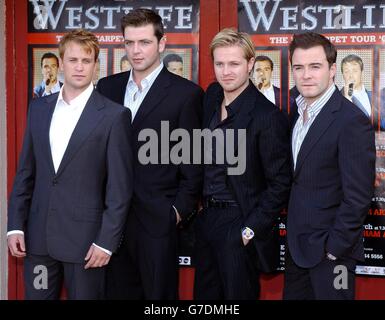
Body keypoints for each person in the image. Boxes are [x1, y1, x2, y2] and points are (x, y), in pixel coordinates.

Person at [7, 29, 133, 300]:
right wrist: (15, 225)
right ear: (61, 63)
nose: (79, 67)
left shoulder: (114, 116)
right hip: (38, 241)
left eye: (86, 61)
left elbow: (119, 189)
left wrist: (106, 242)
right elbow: (26, 172)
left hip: (86, 245)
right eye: (73, 60)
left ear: (95, 66)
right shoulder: (38, 108)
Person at [97, 8, 203, 299]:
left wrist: (176, 213)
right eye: (129, 42)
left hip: (157, 222)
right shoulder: (108, 88)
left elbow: (193, 166)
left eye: (144, 42)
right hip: (111, 223)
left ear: (162, 43)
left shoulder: (186, 95)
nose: (136, 50)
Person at [193, 28, 291, 300]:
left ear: (250, 64)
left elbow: (280, 183)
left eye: (234, 63)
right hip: (207, 219)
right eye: (220, 63)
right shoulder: (212, 96)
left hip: (239, 221)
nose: (226, 71)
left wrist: (249, 230)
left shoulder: (267, 116)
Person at [284, 32, 375, 300]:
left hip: (333, 257)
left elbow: (358, 197)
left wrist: (333, 248)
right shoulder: (296, 115)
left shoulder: (350, 120)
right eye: (299, 68)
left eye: (315, 66)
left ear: (332, 69)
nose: (306, 75)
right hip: (297, 252)